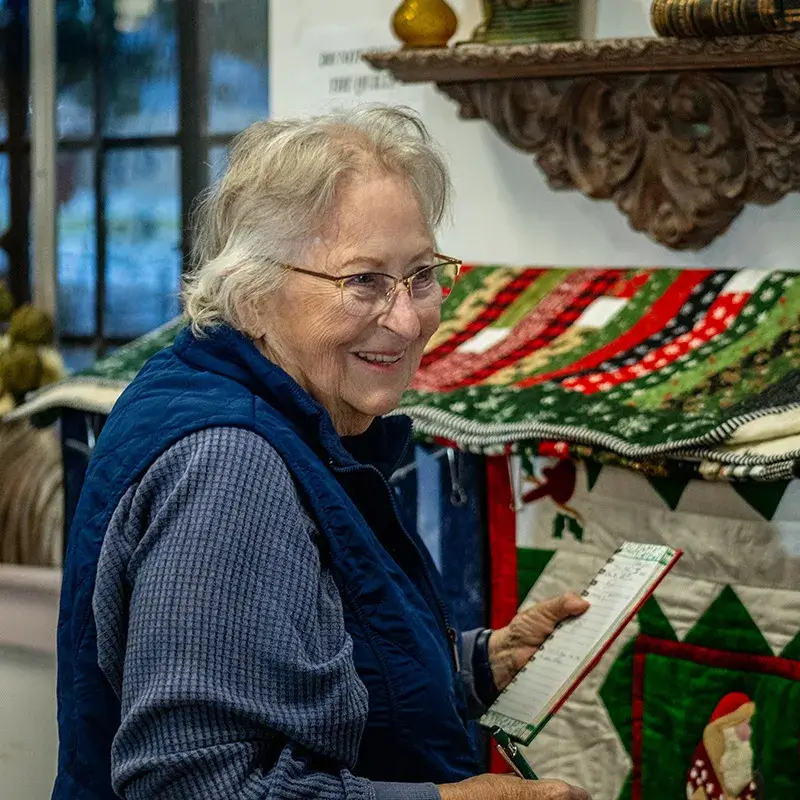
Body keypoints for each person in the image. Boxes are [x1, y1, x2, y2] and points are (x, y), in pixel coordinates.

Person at [53, 105, 592, 800]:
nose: (407, 319)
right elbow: (189, 784)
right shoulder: (231, 465)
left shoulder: (279, 413)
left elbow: (299, 667)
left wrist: (474, 666)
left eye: (421, 274)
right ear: (252, 294)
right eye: (363, 280)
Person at [686, 693, 763, 800]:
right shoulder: (703, 767)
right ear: (730, 724)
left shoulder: (750, 778)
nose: (750, 731)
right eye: (746, 724)